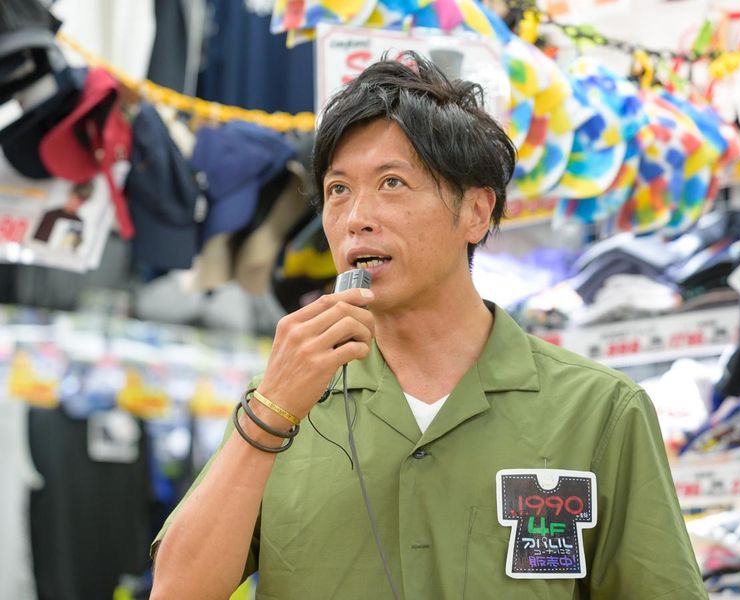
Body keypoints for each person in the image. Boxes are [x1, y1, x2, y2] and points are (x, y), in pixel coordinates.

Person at [150, 52, 707, 599]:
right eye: (338, 190)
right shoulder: (283, 398)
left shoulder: (599, 410)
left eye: (392, 183)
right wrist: (270, 413)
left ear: (477, 212)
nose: (356, 218)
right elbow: (176, 591)